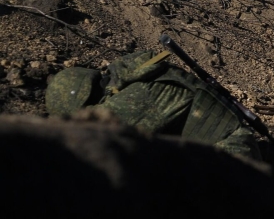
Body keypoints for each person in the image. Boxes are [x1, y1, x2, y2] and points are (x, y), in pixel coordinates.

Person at [45, 49, 261, 160]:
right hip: (224, 157)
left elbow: (102, 143)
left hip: (228, 161)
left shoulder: (136, 97)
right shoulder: (137, 82)